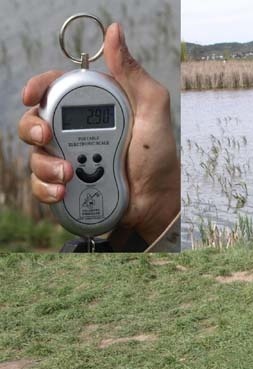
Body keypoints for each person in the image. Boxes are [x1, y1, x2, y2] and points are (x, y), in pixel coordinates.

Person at [17, 23, 180, 252]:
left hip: (121, 210)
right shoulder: (74, 95)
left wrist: (160, 203)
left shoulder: (103, 96)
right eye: (78, 118)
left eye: (99, 116)